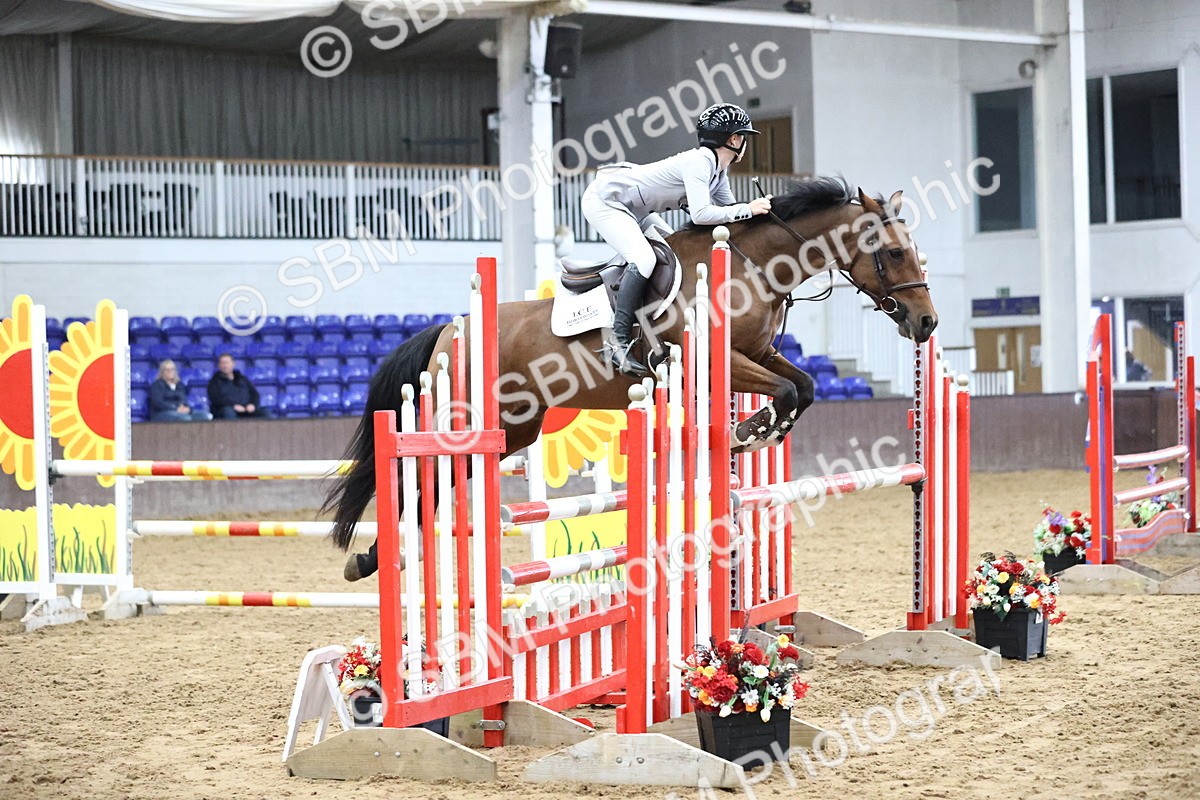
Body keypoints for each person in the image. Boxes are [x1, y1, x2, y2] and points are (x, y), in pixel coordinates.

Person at [580, 102, 773, 375]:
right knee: (644, 258)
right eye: (744, 137)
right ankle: (618, 342)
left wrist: (763, 214)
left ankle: (651, 328)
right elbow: (702, 214)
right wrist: (748, 209)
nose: (744, 144)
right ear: (734, 139)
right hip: (606, 202)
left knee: (675, 251)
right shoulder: (700, 162)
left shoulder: (718, 170)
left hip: (636, 208)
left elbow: (729, 211)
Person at [208, 353, 273, 419]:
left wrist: (253, 405)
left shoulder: (243, 379)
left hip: (247, 410)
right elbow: (217, 400)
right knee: (228, 411)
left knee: (266, 413)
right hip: (228, 410)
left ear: (233, 364)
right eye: (222, 363)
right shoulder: (214, 382)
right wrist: (233, 405)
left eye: (227, 363)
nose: (225, 365)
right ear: (219, 365)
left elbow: (255, 394)